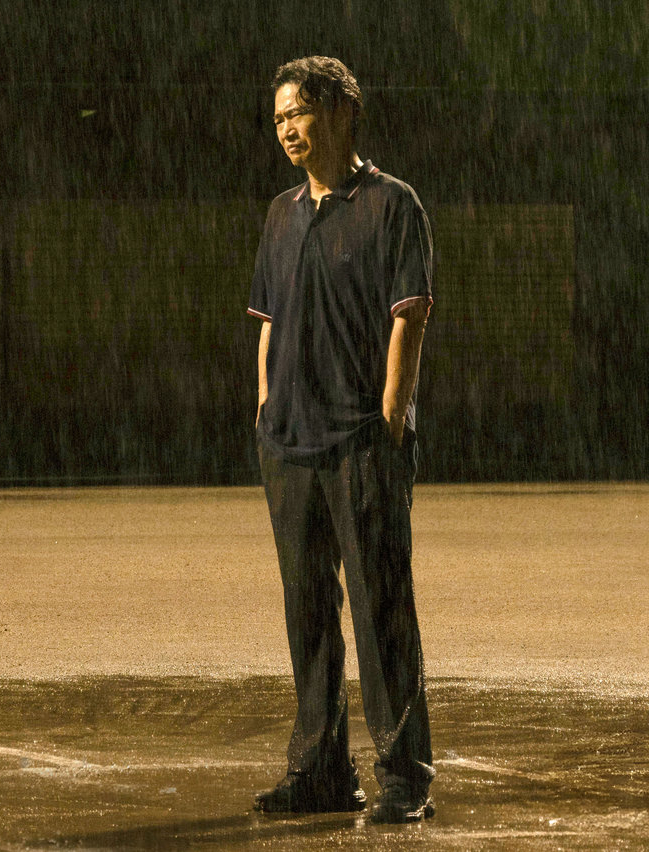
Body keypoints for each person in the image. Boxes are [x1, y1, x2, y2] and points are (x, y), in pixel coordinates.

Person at [246, 57, 436, 823]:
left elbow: (409, 315)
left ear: (342, 111)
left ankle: (405, 777)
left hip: (361, 438)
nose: (287, 129)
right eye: (279, 118)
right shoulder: (280, 213)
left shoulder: (392, 204)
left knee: (380, 607)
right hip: (289, 443)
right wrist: (265, 405)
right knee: (308, 611)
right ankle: (321, 771)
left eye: (298, 112)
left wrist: (391, 416)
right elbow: (266, 322)